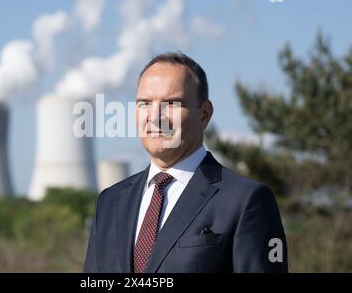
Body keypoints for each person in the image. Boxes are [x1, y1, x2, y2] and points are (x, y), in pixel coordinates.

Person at [84, 52, 288, 273]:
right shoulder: (110, 202)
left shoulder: (245, 200)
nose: (155, 117)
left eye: (171, 103)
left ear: (204, 114)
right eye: (144, 103)